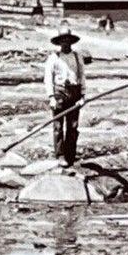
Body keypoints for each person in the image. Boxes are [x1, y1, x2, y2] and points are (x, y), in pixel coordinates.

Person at [43, 26, 87, 167]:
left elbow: (82, 77)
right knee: (58, 126)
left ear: (71, 41)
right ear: (59, 42)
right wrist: (51, 97)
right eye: (63, 40)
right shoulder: (53, 58)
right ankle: (60, 155)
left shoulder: (77, 56)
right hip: (59, 93)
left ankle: (70, 155)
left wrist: (83, 96)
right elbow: (48, 78)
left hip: (74, 93)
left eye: (68, 40)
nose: (66, 43)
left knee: (73, 127)